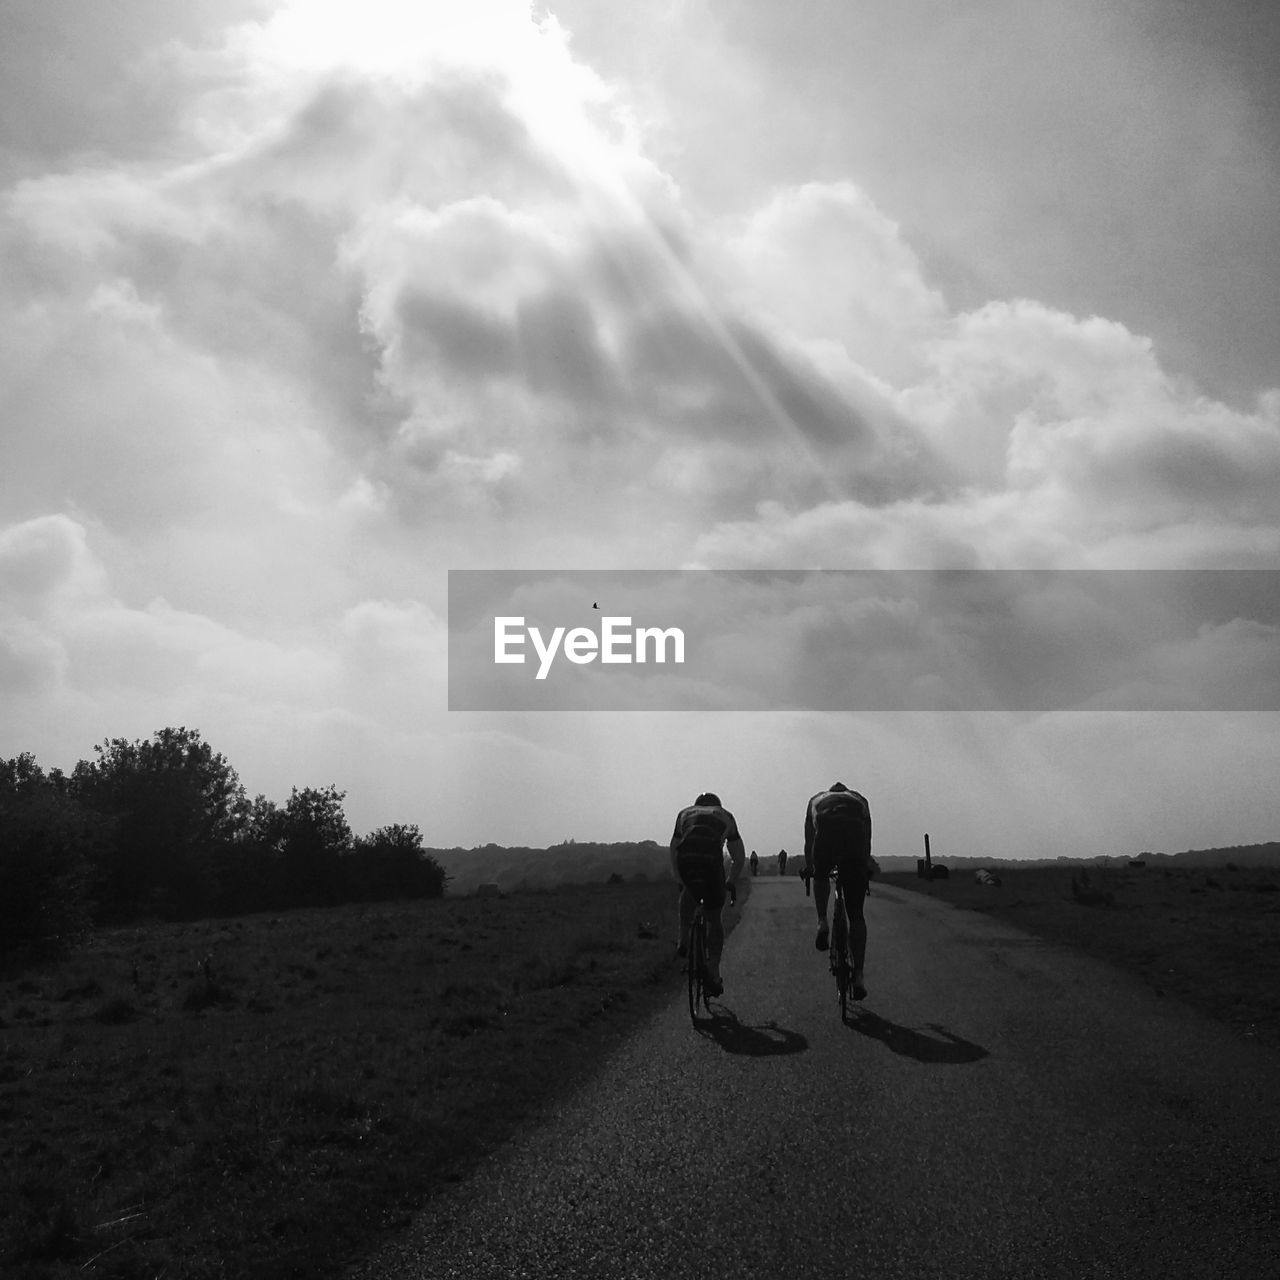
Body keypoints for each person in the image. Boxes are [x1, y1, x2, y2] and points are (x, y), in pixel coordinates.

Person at [670, 792, 746, 997]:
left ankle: (683, 939)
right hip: (711, 861)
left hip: (686, 858)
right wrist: (730, 880)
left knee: (688, 891)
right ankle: (713, 969)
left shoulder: (684, 813)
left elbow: (674, 847)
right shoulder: (725, 815)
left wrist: (679, 878)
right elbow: (739, 856)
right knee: (714, 917)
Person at [804, 781, 873, 1000]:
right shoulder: (860, 799)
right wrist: (864, 865)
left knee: (821, 875)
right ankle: (859, 976)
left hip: (826, 839)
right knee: (857, 916)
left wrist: (810, 867)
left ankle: (823, 920)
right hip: (855, 845)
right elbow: (867, 839)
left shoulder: (816, 799)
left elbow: (809, 840)